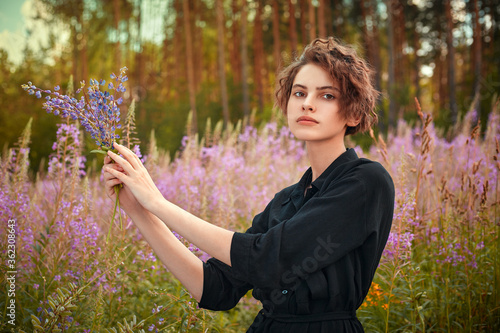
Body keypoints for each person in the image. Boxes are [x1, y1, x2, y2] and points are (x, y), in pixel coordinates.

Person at [103, 37, 395, 332]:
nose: (307, 103)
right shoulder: (286, 201)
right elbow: (215, 289)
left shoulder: (367, 181)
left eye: (327, 95)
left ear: (354, 113)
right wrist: (139, 210)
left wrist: (158, 202)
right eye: (299, 93)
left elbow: (268, 258)